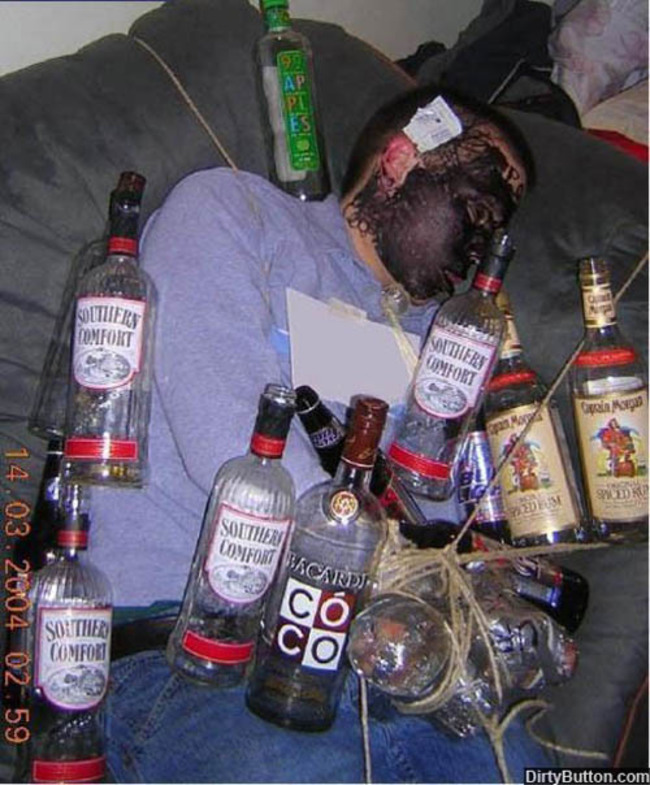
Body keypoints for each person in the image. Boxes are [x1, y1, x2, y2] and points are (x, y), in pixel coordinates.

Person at [95, 84, 551, 782]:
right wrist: (400, 568)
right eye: (478, 212)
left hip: (382, 660)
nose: (481, 250)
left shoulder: (448, 337)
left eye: (496, 235)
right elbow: (227, 437)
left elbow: (439, 517)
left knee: (520, 765)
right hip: (195, 652)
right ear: (400, 160)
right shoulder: (231, 210)